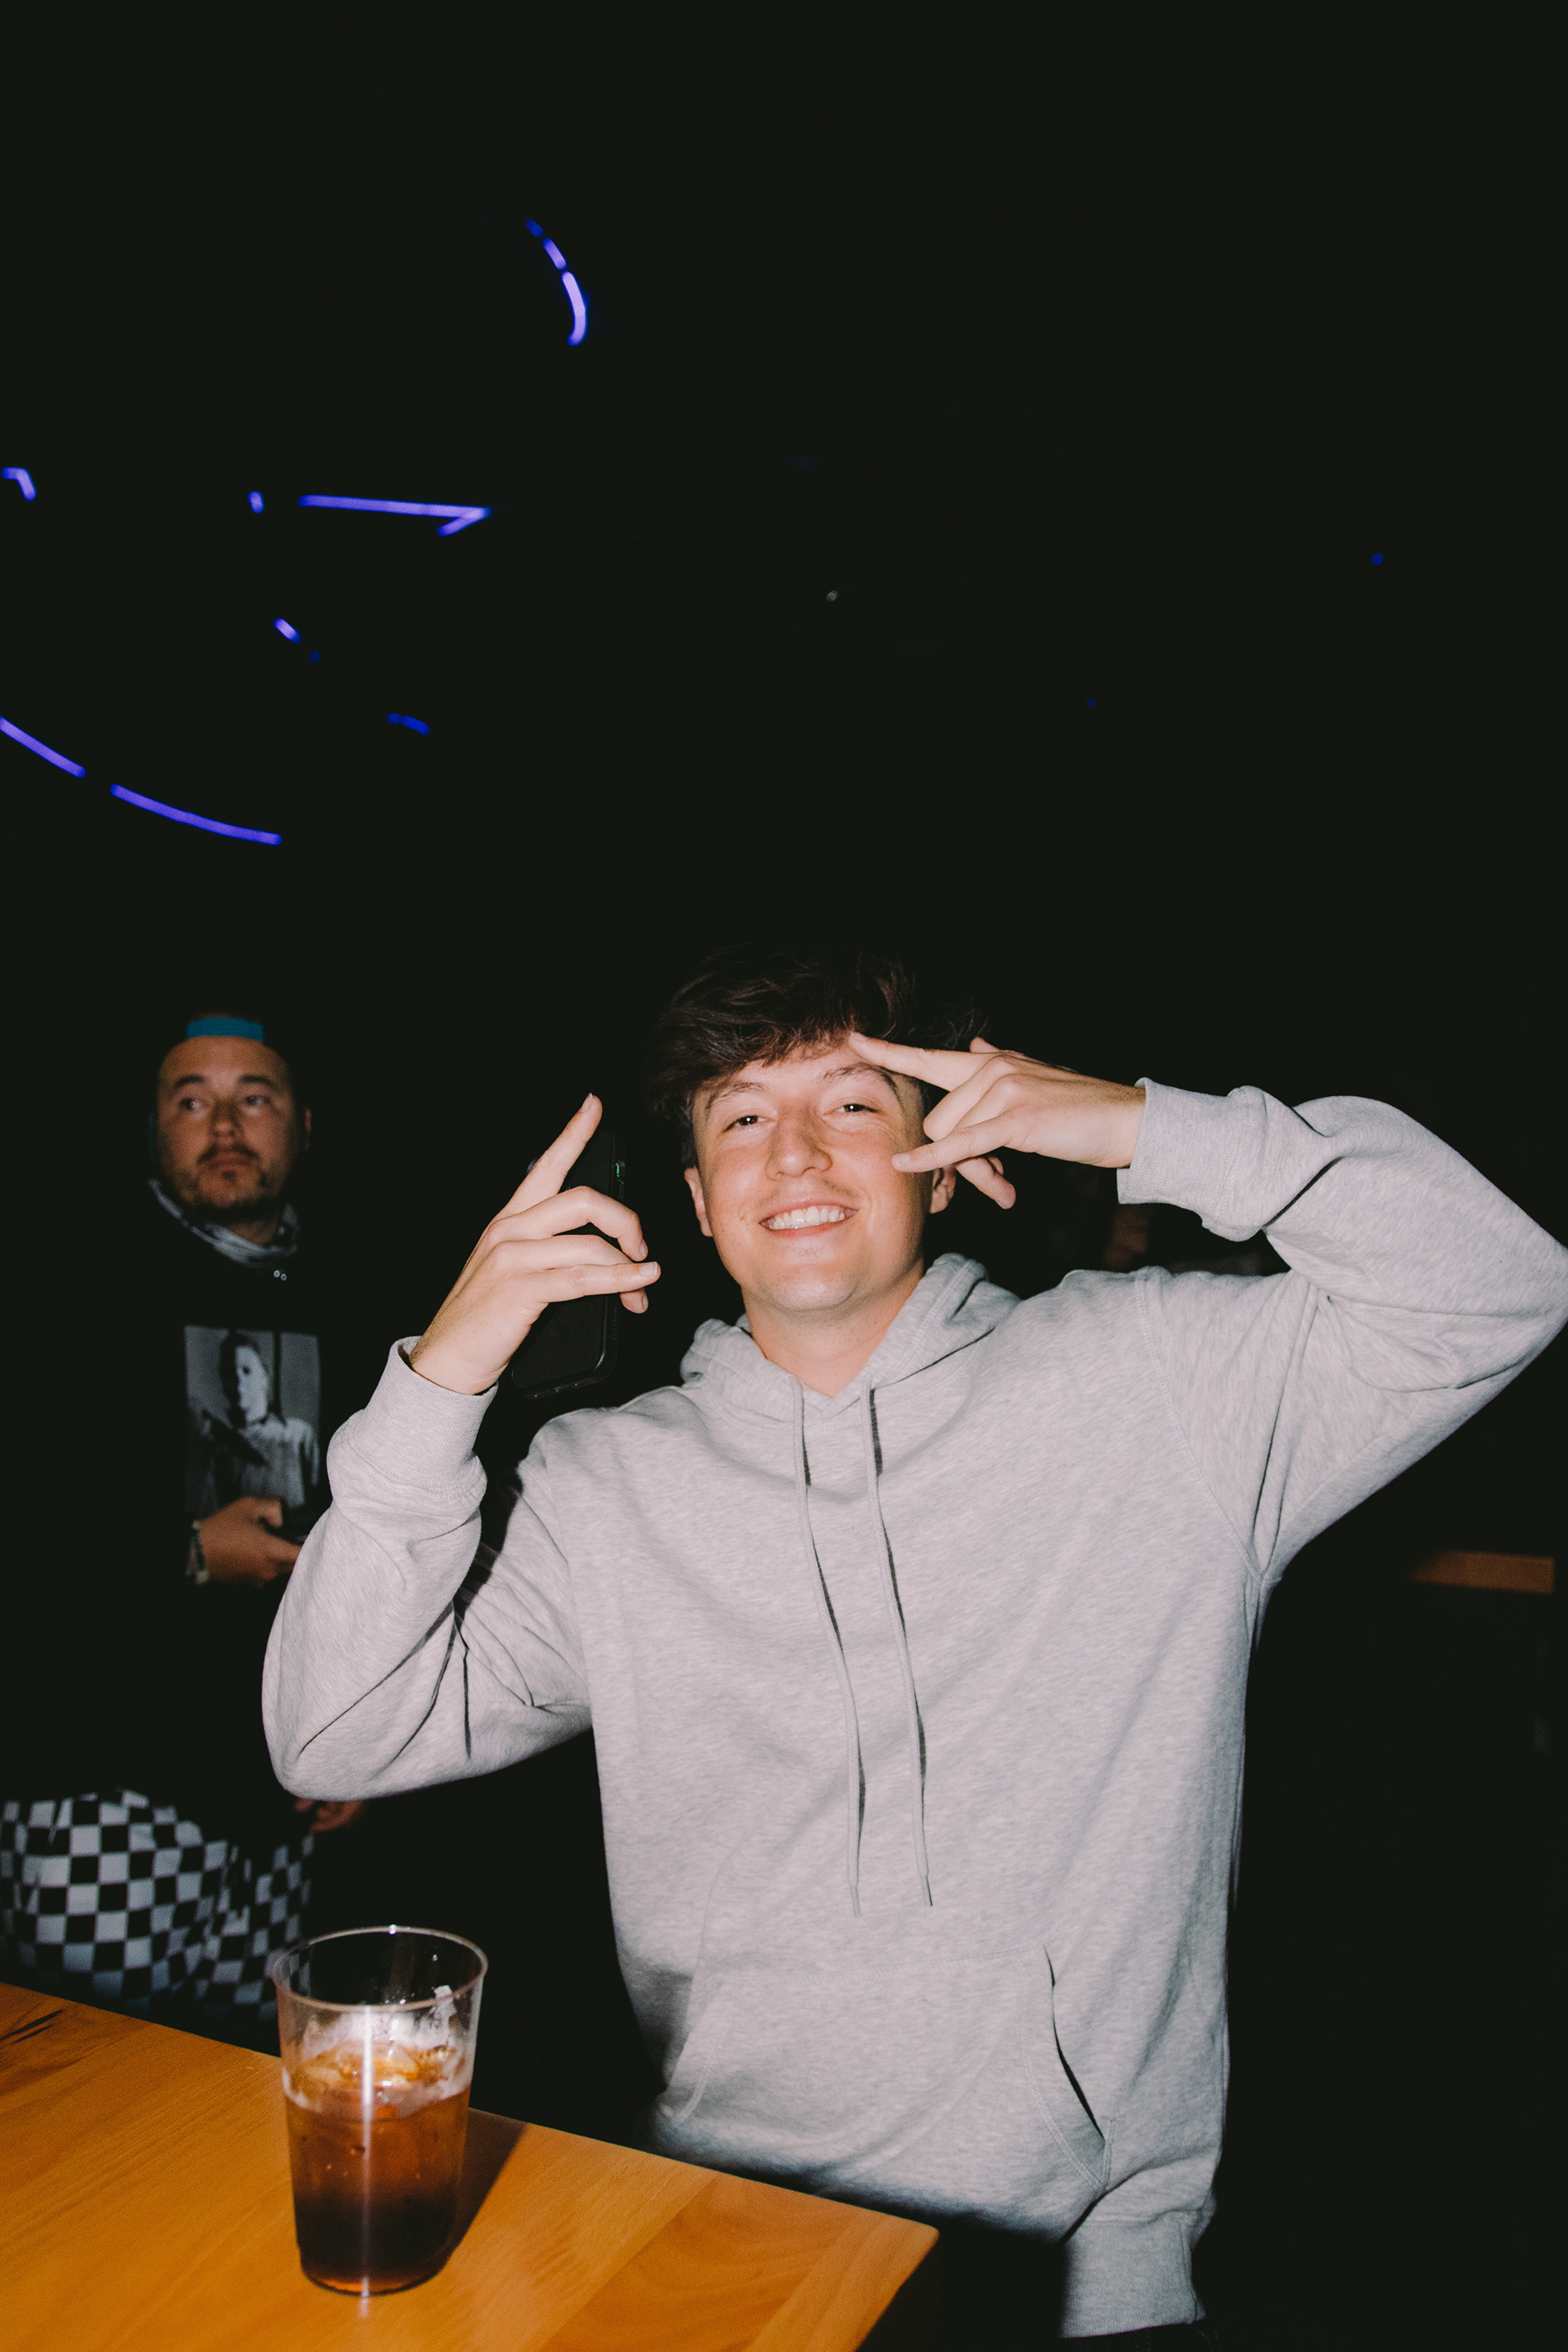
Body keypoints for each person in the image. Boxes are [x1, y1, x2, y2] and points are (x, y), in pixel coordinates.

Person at [262, 948, 1567, 2341]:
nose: (796, 1153)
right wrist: (442, 1378)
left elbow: (1499, 1284)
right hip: (726, 2243)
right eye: (743, 1118)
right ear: (697, 1203)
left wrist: (1146, 1127)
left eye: (851, 1104)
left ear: (945, 1163)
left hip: (1080, 2286)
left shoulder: (1163, 1386)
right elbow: (332, 1731)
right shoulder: (601, 1485)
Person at [1, 1013, 385, 2042]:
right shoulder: (68, 1279)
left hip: (277, 1797)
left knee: (241, 2089)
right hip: (102, 1795)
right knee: (83, 2087)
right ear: (153, 1129)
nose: (224, 1125)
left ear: (303, 1124)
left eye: (253, 1097)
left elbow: (372, 1544)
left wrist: (352, 1739)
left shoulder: (348, 1303)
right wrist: (184, 1551)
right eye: (190, 1100)